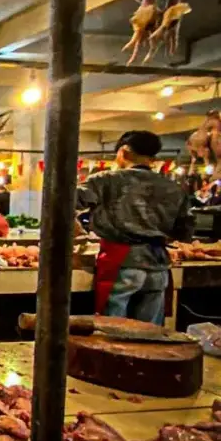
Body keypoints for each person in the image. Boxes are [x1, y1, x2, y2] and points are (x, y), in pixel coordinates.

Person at [78, 130, 192, 325]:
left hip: (122, 262)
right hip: (158, 265)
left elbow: (65, 201)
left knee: (113, 329)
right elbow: (185, 230)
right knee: (149, 333)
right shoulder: (174, 187)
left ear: (123, 151)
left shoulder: (106, 180)